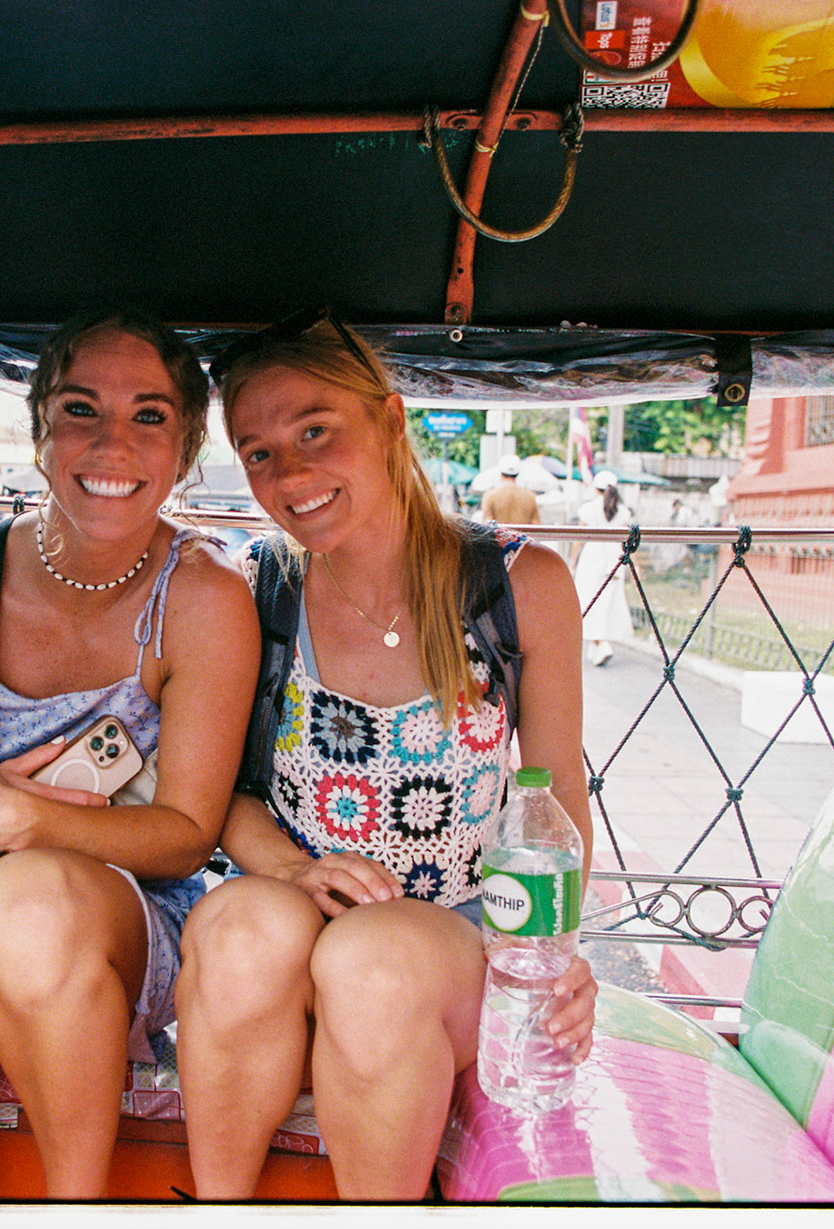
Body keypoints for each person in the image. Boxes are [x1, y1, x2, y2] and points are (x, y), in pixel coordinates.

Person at [176, 309, 597, 1201]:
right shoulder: (257, 588)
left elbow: (557, 798)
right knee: (235, 930)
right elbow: (225, 798)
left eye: (315, 431)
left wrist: (554, 957)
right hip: (296, 925)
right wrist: (295, 869)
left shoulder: (519, 586)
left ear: (391, 420)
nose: (290, 476)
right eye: (258, 452)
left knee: (371, 962)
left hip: (449, 940)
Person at [0, 311, 258, 1199]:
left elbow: (187, 836)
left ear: (184, 449)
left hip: (114, 917)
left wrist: (24, 818)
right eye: (80, 409)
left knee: (29, 899)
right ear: (40, 431)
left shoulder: (203, 597)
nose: (113, 444)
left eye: (149, 416)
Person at [573, 469, 634, 667]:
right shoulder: (622, 510)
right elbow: (627, 537)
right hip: (615, 556)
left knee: (589, 600)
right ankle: (596, 644)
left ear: (596, 488)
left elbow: (579, 538)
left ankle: (600, 643)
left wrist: (572, 560)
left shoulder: (589, 508)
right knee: (608, 601)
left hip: (593, 556)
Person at [477, 457, 542, 525]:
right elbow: (536, 523)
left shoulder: (490, 496)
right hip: (522, 532)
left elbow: (487, 522)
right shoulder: (530, 497)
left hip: (499, 532)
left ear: (501, 474)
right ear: (517, 474)